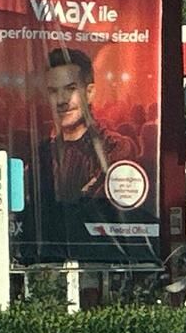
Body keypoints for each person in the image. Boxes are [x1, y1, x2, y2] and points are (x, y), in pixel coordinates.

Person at [36, 47, 141, 252]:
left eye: (71, 89)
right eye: (53, 91)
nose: (62, 100)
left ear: (90, 92)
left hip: (107, 254)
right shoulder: (41, 154)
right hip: (51, 255)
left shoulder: (115, 147)